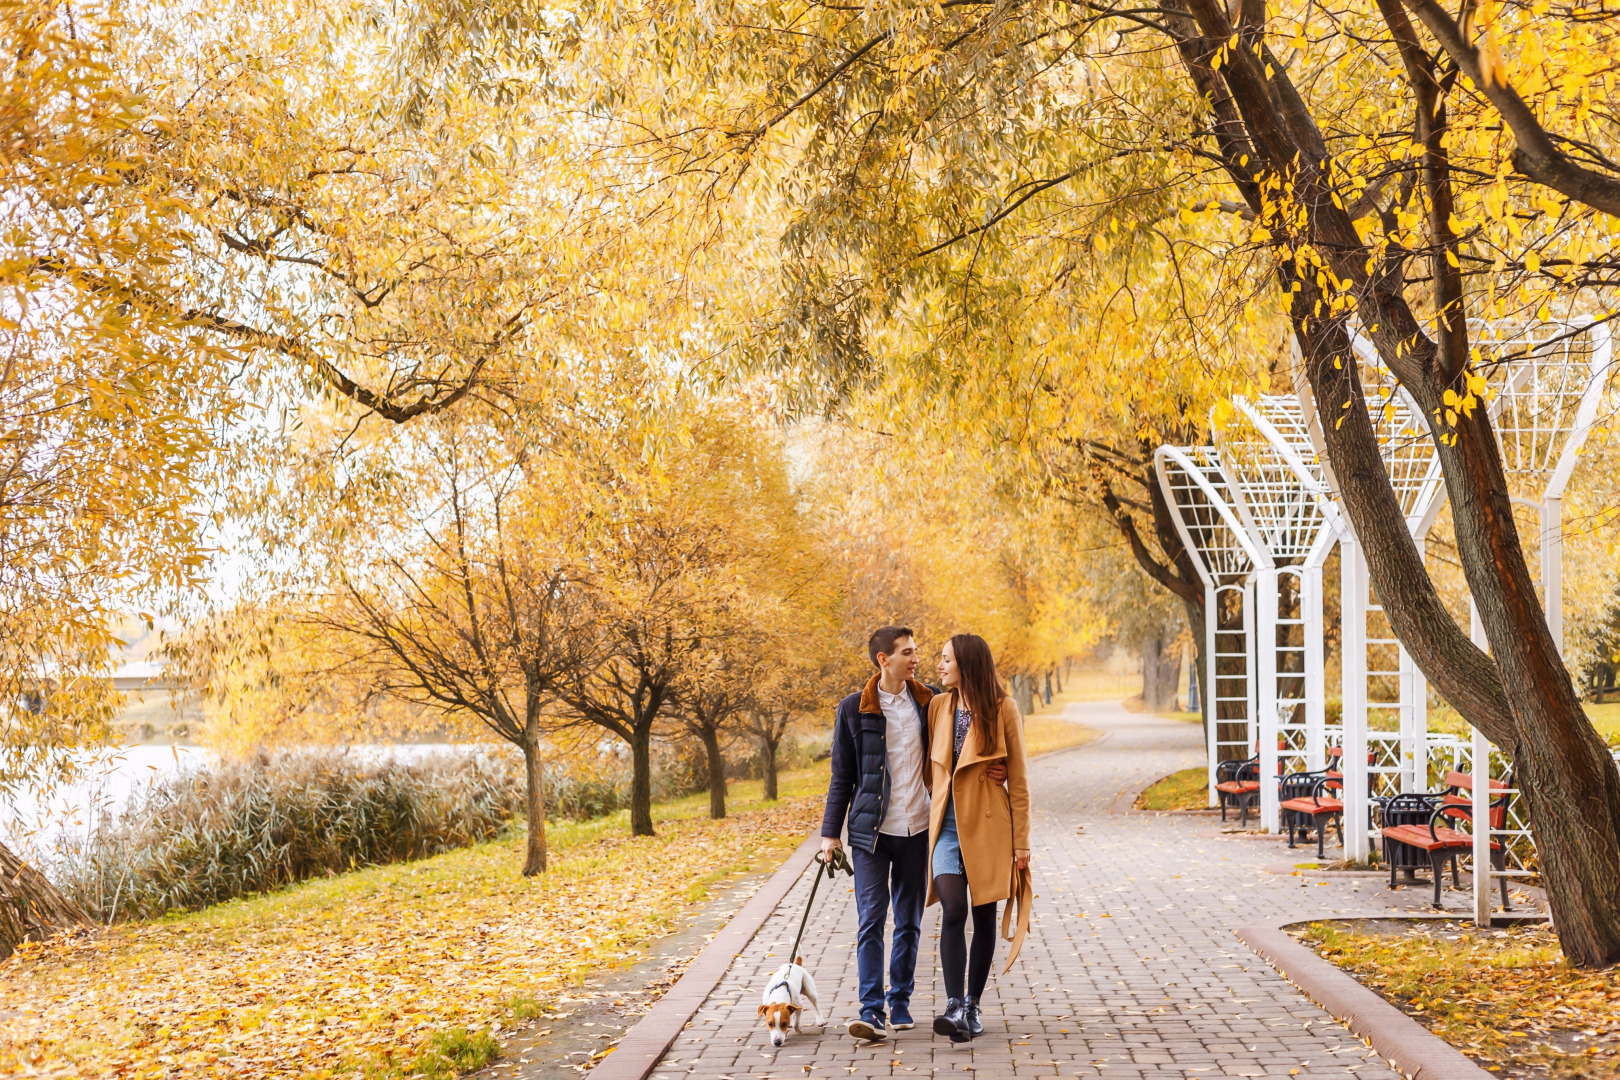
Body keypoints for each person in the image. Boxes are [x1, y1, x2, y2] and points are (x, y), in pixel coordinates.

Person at [821, 626, 1006, 1042]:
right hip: (870, 831)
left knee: (909, 920)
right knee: (871, 919)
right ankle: (872, 1010)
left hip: (919, 826)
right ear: (883, 659)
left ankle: (900, 1002)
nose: (916, 658)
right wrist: (829, 834)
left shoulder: (929, 702)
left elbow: (967, 744)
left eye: (917, 651)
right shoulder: (853, 709)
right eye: (907, 652)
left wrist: (1002, 769)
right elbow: (841, 776)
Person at [925, 633, 1031, 1043]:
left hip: (989, 828)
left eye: (946, 658)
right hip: (947, 829)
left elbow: (1019, 779)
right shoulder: (938, 705)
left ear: (966, 664)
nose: (939, 665)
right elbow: (929, 765)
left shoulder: (1004, 708)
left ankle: (972, 1006)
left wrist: (1021, 842)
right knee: (953, 909)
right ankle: (953, 1006)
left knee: (984, 915)